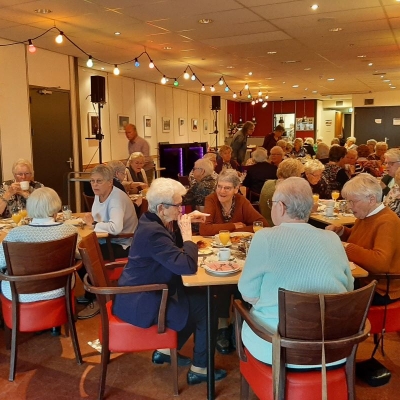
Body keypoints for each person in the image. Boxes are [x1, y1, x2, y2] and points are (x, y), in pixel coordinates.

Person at [113, 178, 227, 385]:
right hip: (143, 301)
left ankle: (165, 351)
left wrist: (185, 220)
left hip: (144, 292)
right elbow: (187, 266)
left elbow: (169, 248)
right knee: (206, 306)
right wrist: (188, 235)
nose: (181, 210)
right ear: (162, 208)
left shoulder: (151, 220)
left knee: (197, 298)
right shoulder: (153, 232)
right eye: (178, 206)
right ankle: (200, 369)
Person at [239, 177, 353, 365]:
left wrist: (272, 302)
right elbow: (348, 288)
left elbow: (247, 293)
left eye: (272, 203)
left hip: (277, 348)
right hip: (332, 349)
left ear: (281, 207)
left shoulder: (264, 237)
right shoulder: (333, 238)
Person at [0, 187, 80, 336]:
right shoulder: (70, 231)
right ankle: (57, 325)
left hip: (20, 293)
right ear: (55, 205)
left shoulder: (16, 234)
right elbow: (79, 255)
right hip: (60, 288)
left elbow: (0, 263)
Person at [326, 173, 400, 305]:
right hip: (365, 281)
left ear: (371, 199)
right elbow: (361, 238)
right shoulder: (366, 215)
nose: (349, 206)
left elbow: (379, 263)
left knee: (329, 295)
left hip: (380, 289)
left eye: (352, 201)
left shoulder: (387, 221)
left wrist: (345, 247)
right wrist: (342, 231)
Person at [83, 164, 138, 260]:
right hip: (105, 239)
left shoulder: (116, 200)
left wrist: (93, 224)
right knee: (78, 249)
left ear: (110, 182)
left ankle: (95, 275)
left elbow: (115, 228)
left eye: (99, 181)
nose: (94, 184)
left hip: (122, 243)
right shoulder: (99, 193)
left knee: (84, 253)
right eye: (92, 181)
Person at [199, 170, 268, 236]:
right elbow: (205, 229)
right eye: (219, 186)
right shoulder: (211, 199)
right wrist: (233, 226)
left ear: (236, 189)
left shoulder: (241, 201)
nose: (222, 191)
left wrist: (236, 232)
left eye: (227, 188)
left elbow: (263, 225)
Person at [259, 158, 304, 227]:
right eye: (300, 174)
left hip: (265, 223)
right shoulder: (288, 190)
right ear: (295, 174)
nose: (301, 176)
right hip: (278, 228)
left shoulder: (268, 183)